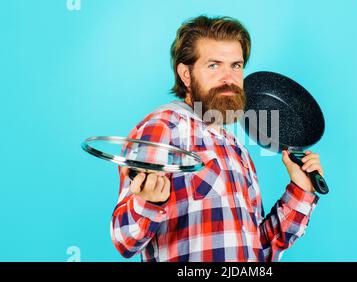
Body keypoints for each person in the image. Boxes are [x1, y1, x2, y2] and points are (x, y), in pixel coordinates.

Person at [110, 15, 324, 262]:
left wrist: (301, 191)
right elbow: (124, 239)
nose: (229, 78)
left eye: (236, 65)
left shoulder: (234, 147)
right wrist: (146, 202)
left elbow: (260, 250)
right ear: (186, 75)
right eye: (214, 65)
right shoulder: (163, 126)